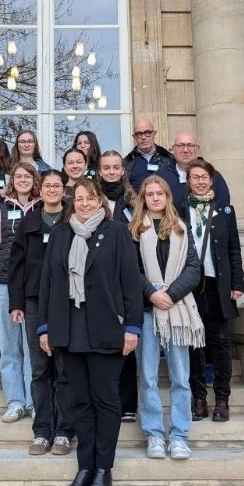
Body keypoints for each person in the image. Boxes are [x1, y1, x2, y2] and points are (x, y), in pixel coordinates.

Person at [38, 177, 143, 486]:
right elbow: (48, 283)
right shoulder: (60, 234)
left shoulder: (116, 234)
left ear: (101, 202)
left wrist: (133, 328)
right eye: (79, 198)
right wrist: (44, 327)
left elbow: (131, 283)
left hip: (105, 329)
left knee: (106, 402)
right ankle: (84, 468)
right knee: (79, 402)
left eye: (90, 198)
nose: (83, 204)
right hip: (69, 330)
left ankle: (102, 470)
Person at [129, 175, 202, 460]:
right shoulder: (134, 230)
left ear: (168, 196)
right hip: (147, 311)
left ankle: (180, 435)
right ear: (143, 199)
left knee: (180, 376)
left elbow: (193, 268)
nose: (155, 198)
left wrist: (170, 294)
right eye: (150, 194)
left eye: (160, 193)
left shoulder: (182, 229)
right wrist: (151, 294)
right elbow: (130, 271)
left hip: (177, 309)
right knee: (147, 377)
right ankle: (154, 435)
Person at [8, 170, 75, 456]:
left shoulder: (73, 222)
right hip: (35, 301)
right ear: (41, 189)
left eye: (56, 186)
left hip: (68, 302)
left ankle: (64, 431)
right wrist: (16, 303)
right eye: (47, 185)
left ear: (63, 190)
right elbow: (16, 265)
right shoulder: (29, 222)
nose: (51, 190)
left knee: (64, 368)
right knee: (39, 368)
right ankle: (42, 431)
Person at [181, 160, 244, 423]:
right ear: (188, 182)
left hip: (217, 283)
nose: (199, 181)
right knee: (194, 343)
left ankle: (221, 399)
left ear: (211, 180)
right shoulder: (181, 210)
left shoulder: (225, 211)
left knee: (219, 341)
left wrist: (237, 283)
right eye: (194, 177)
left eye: (204, 177)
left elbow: (233, 249)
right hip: (190, 285)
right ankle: (198, 399)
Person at [0, 162, 41, 421]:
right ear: (12, 180)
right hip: (5, 284)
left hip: (34, 287)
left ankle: (34, 401)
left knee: (32, 347)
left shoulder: (42, 207)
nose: (23, 180)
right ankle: (15, 401)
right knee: (9, 346)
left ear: (34, 179)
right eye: (18, 176)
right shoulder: (0, 210)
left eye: (28, 176)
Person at [98, 150, 138, 422]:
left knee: (126, 341)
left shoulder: (134, 200)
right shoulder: (92, 198)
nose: (111, 172)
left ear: (123, 171)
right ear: (99, 171)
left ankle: (127, 404)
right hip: (99, 278)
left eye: (116, 168)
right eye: (106, 168)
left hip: (126, 275)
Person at [163, 132, 230, 210]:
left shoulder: (213, 176)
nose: (185, 150)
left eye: (190, 145)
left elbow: (222, 207)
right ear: (173, 149)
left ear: (197, 149)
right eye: (180, 145)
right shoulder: (162, 177)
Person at [123, 118, 172, 192]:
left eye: (147, 133)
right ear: (134, 137)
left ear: (154, 134)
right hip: (136, 203)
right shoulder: (126, 163)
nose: (143, 137)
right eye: (139, 134)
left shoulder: (169, 159)